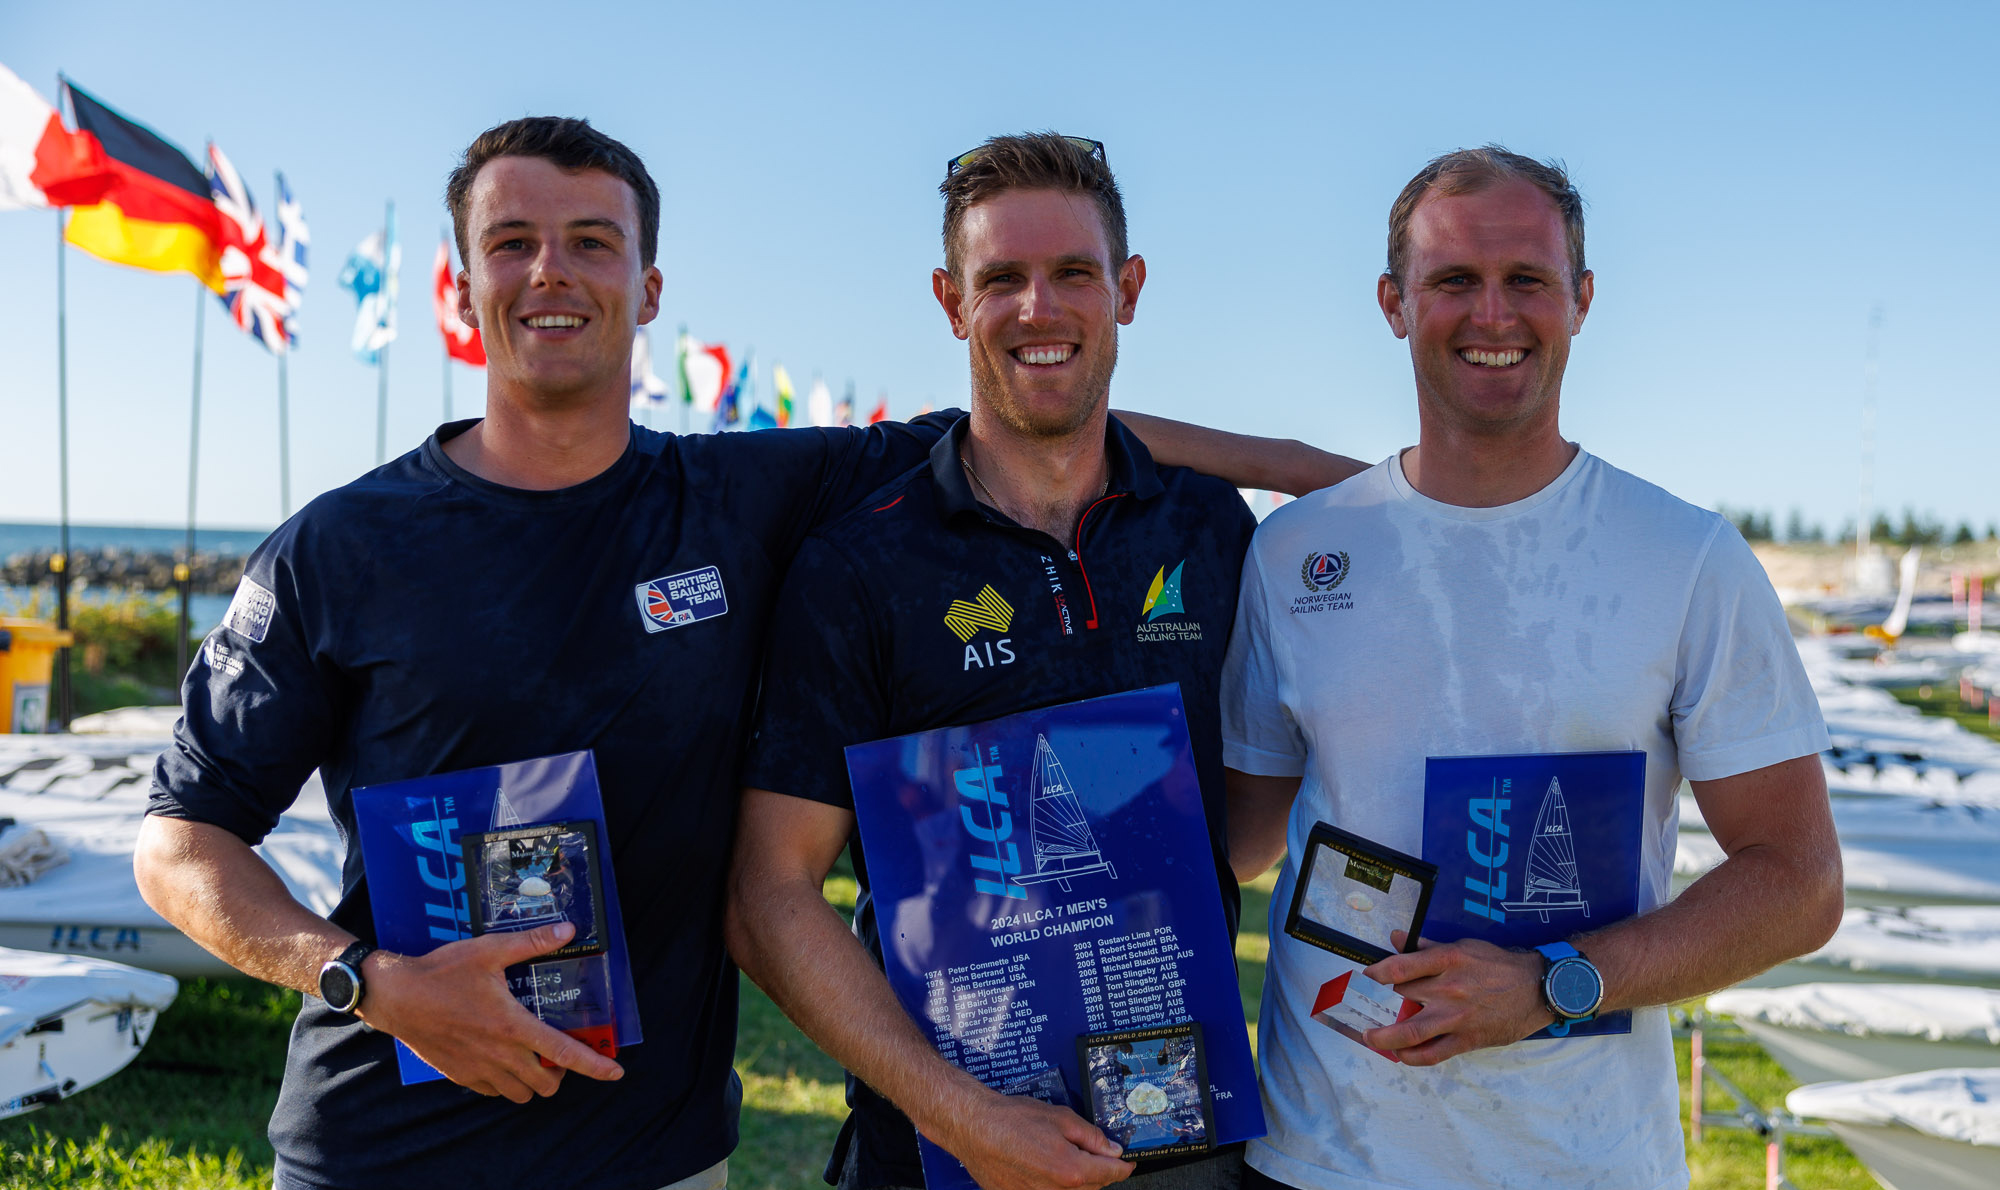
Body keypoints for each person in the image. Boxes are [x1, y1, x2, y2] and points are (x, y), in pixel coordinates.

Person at [133, 117, 1345, 1190]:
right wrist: (367, 981)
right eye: (513, 243)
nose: (551, 270)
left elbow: (1045, 409)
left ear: (649, 286)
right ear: (462, 285)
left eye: (591, 241)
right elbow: (181, 842)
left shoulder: (740, 494)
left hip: (658, 1152)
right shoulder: (335, 549)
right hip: (383, 1149)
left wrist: (1370, 495)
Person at [727, 134, 1361, 1190]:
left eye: (1072, 272)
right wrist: (966, 1116)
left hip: (1182, 1140)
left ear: (1128, 288)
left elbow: (1239, 833)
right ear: (948, 298)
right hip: (934, 1151)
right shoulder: (861, 563)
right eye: (1000, 279)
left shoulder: (1210, 531)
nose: (1038, 307)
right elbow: (768, 891)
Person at [1219, 146, 1844, 1190]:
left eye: (1526, 281)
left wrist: (1558, 981)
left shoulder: (1682, 556)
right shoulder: (1295, 553)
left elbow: (1798, 882)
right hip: (1318, 1158)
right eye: (1452, 280)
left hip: (1583, 1162)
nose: (1492, 315)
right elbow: (1236, 838)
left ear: (1581, 299)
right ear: (1391, 302)